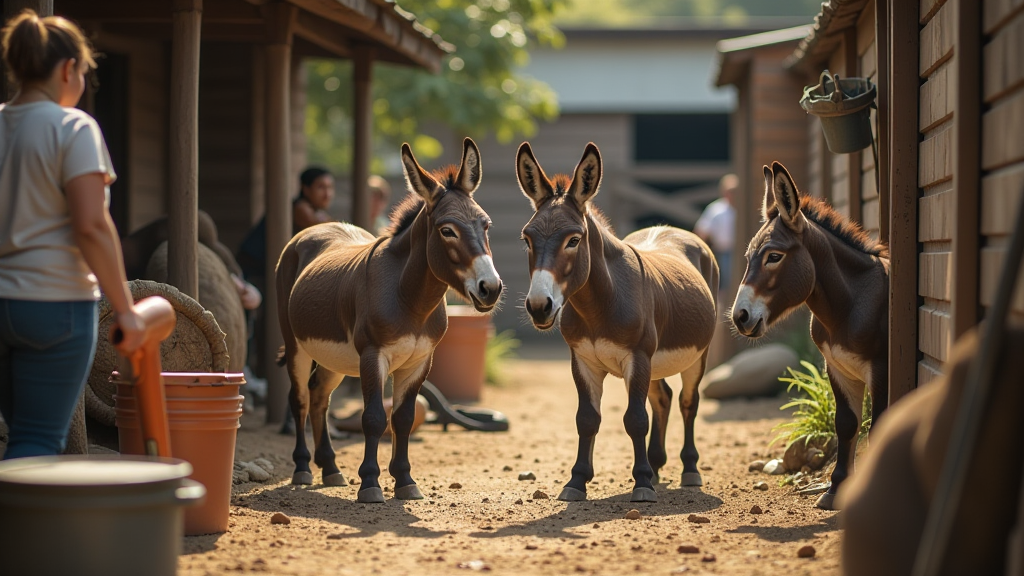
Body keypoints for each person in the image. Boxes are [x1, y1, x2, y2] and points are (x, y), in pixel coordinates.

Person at [0, 11, 145, 459]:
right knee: (37, 439)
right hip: (54, 307)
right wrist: (126, 311)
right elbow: (91, 225)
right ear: (68, 70)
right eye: (84, 71)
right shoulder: (73, 127)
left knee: (17, 431)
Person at [236, 166, 336, 283]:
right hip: (254, 267)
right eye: (321, 187)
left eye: (330, 187)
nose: (327, 194)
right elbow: (331, 230)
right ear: (306, 189)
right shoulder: (299, 208)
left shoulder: (314, 211)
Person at [695, 173, 737, 292]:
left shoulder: (744, 208)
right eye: (730, 191)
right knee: (724, 284)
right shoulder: (716, 209)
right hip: (722, 252)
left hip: (742, 252)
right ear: (724, 192)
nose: (732, 194)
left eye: (735, 191)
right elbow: (702, 231)